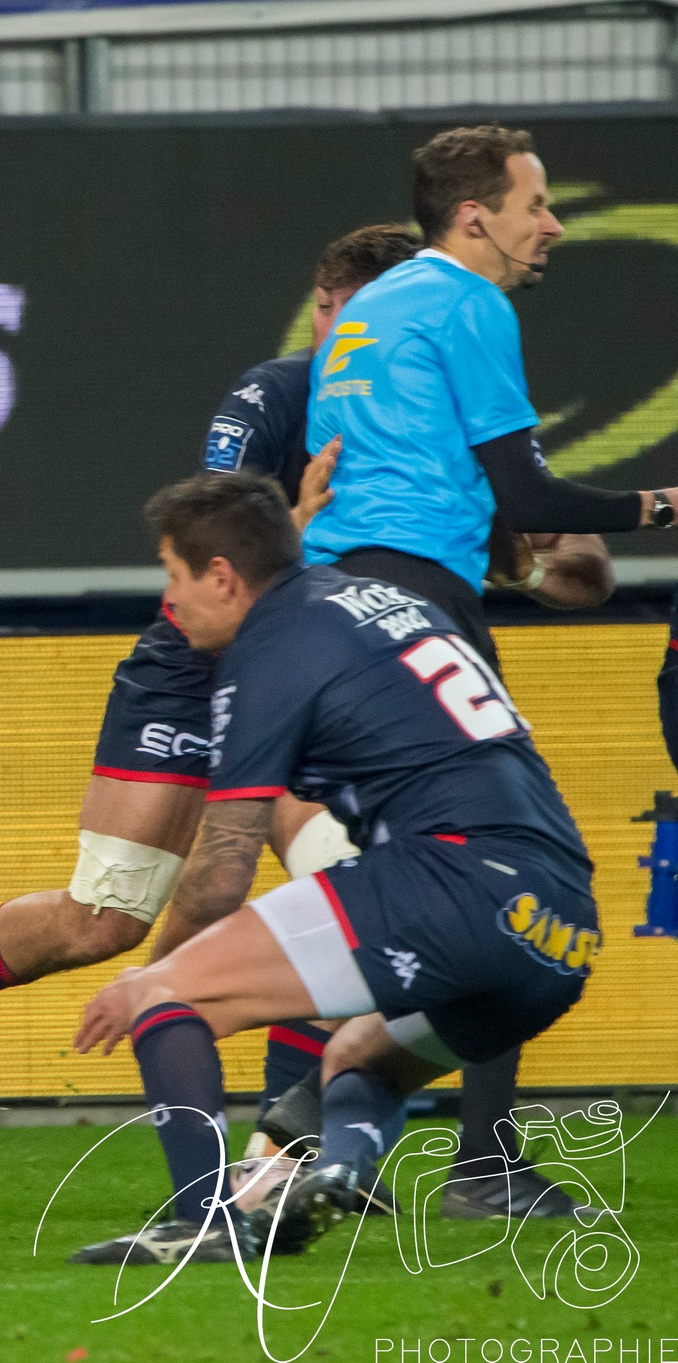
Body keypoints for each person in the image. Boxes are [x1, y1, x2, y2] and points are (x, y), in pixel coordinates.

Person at [0, 223, 417, 1137]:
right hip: (192, 665)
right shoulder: (273, 393)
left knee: (337, 888)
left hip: (307, 674)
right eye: (344, 313)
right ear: (324, 310)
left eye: (382, 318)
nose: (355, 334)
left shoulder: (417, 419)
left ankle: (280, 1149)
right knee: (105, 919)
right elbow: (214, 537)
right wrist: (293, 528)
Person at [64, 474, 596, 1263]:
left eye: (174, 574)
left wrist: (147, 979)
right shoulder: (373, 601)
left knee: (165, 997)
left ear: (221, 575)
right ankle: (339, 1169)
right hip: (562, 928)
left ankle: (205, 1223)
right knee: (355, 1058)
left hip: (453, 876)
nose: (169, 599)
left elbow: (220, 875)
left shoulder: (271, 647)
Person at [299, 123, 678, 1218]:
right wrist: (662, 504)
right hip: (420, 605)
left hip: (337, 603)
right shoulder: (469, 303)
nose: (549, 226)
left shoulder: (371, 309)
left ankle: (319, 1128)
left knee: (429, 873)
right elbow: (529, 497)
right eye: (533, 204)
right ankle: (474, 1162)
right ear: (475, 217)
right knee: (513, 870)